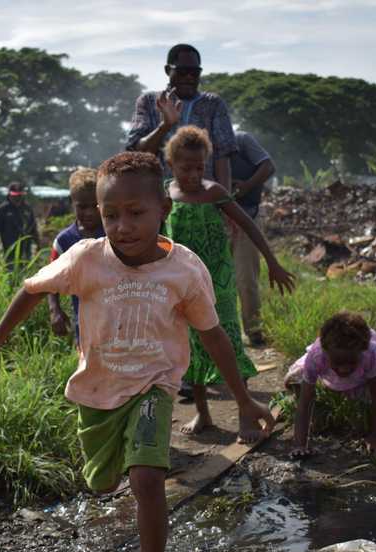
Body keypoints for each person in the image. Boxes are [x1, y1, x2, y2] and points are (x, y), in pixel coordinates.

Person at [0, 151, 275, 552]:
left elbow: (214, 337)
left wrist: (245, 400)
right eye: (110, 215)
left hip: (154, 385)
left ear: (163, 211)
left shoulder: (184, 270)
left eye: (136, 214)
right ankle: (113, 477)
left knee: (147, 478)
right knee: (104, 479)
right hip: (98, 388)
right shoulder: (87, 258)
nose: (122, 226)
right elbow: (33, 289)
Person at [163, 126, 296, 440]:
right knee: (192, 346)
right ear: (172, 165)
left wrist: (273, 263)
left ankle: (245, 415)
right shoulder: (167, 194)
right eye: (186, 168)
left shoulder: (215, 193)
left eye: (200, 167)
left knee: (231, 342)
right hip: (182, 281)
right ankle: (202, 413)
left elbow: (248, 226)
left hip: (217, 280)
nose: (194, 174)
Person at [286, 312, 376, 459]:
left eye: (351, 363)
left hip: (365, 374)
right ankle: (319, 410)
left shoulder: (371, 353)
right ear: (326, 353)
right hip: (328, 369)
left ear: (361, 352)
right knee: (297, 378)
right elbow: (305, 401)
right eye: (338, 363)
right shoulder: (317, 356)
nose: (344, 369)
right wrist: (299, 444)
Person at [126, 44, 236, 192]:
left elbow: (222, 157)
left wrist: (224, 201)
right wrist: (165, 126)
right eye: (182, 71)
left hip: (203, 197)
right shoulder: (148, 101)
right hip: (158, 197)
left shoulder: (213, 104)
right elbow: (138, 154)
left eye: (194, 72)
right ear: (168, 70)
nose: (189, 77)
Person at [47, 167, 105, 341]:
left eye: (95, 206)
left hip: (121, 319)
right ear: (72, 202)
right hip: (84, 324)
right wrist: (54, 310)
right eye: (82, 206)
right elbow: (50, 279)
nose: (89, 212)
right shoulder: (64, 241)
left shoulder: (115, 233)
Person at [230, 131, 276, 347]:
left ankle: (254, 331)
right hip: (214, 219)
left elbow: (268, 166)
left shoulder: (242, 140)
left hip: (247, 213)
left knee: (246, 278)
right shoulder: (200, 147)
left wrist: (246, 186)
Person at [0, 181, 39, 267]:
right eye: (15, 196)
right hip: (10, 250)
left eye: (19, 195)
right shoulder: (3, 210)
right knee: (11, 275)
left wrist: (38, 245)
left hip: (26, 251)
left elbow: (33, 228)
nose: (17, 198)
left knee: (26, 274)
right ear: (9, 195)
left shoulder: (27, 209)